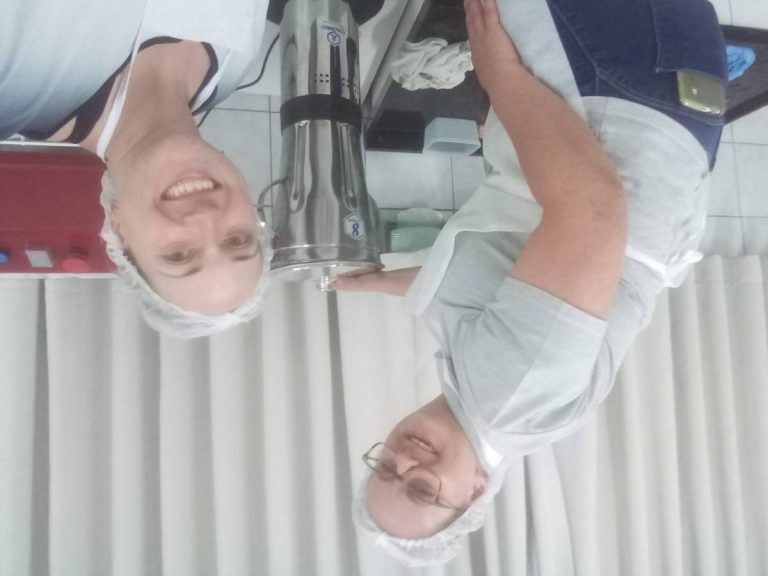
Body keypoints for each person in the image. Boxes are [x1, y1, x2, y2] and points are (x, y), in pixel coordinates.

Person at [336, 0, 726, 566]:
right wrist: (503, 80)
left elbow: (495, 294)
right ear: (474, 493)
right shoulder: (507, 401)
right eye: (421, 489)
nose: (406, 461)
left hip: (637, 103)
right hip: (617, 95)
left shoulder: (479, 401)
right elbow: (592, 211)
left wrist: (373, 282)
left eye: (386, 470)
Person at [0, 0, 272, 338]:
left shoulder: (14, 89)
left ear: (118, 229)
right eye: (237, 239)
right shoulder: (233, 65)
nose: (205, 218)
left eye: (178, 255)